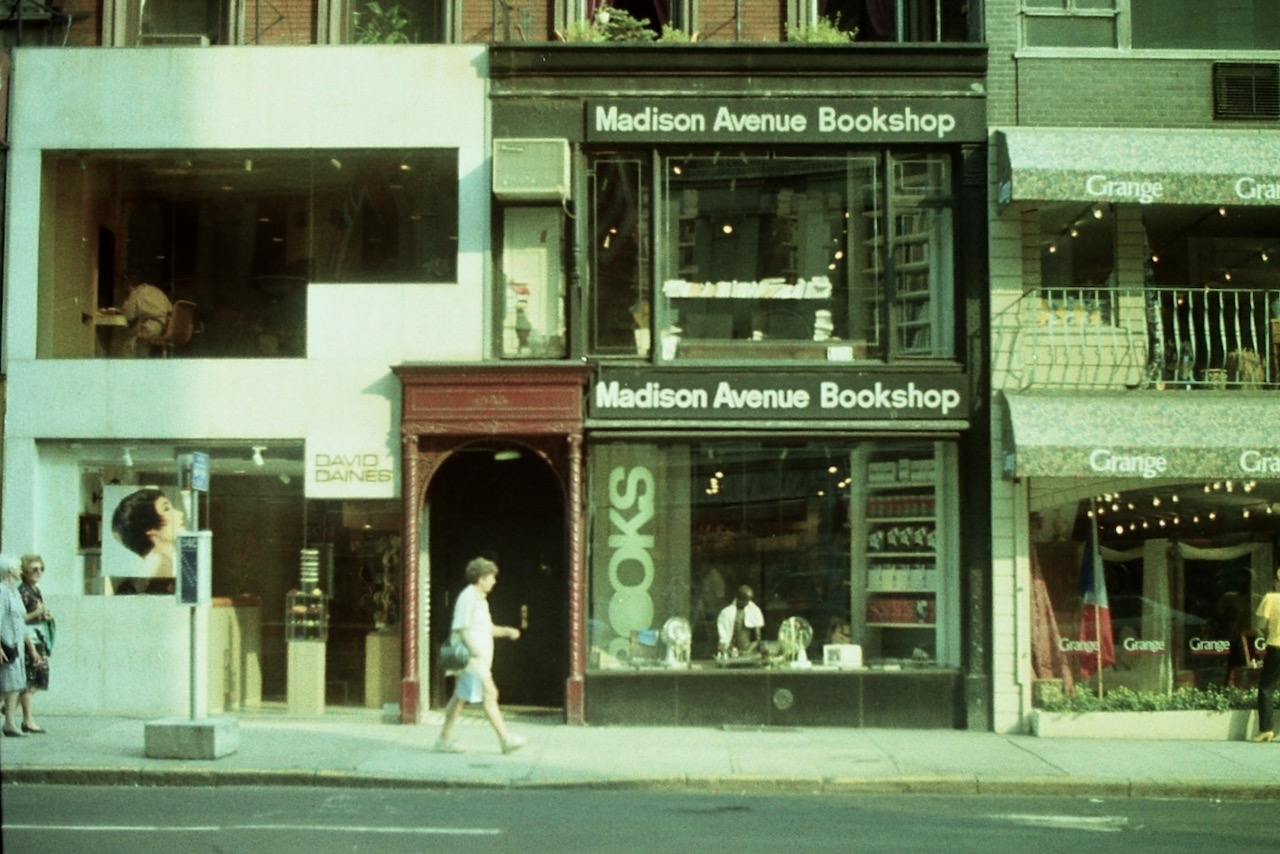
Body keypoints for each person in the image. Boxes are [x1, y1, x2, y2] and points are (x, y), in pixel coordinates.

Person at [433, 557, 526, 755]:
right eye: (491, 577)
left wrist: (507, 631)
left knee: (459, 698)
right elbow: (462, 628)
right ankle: (505, 740)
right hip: (472, 660)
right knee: (490, 694)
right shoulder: (469, 597)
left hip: (476, 659)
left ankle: (443, 740)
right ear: (481, 578)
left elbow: (487, 628)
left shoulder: (480, 599)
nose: (494, 581)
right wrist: (475, 651)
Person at [1, 554, 40, 738]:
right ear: (10, 570)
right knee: (6, 686)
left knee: (14, 685)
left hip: (17, 646)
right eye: (17, 567)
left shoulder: (14, 592)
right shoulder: (2, 592)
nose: (20, 571)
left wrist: (31, 648)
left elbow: (21, 622)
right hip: (6, 645)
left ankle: (10, 723)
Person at [110, 487, 185, 580]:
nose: (180, 513)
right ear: (148, 528)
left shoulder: (172, 561)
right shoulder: (161, 569)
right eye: (166, 509)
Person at [18, 554, 52, 734]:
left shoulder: (35, 590)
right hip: (28, 639)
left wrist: (44, 615)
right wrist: (36, 613)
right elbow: (18, 619)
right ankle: (27, 720)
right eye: (34, 569)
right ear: (25, 572)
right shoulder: (22, 592)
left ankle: (14, 706)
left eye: (41, 569)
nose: (38, 572)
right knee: (30, 679)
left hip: (38, 637)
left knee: (40, 677)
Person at [1252, 567, 1280, 743]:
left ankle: (1266, 729)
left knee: (1266, 688)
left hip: (1276, 646)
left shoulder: (1271, 598)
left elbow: (1261, 624)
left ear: (1277, 582)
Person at [120, 269, 172, 357]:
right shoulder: (156, 290)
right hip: (166, 327)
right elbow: (170, 309)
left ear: (128, 283)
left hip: (150, 327)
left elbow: (129, 315)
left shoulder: (135, 293)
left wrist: (125, 304)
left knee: (128, 345)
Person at [717, 585, 765, 658]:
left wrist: (755, 645)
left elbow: (758, 635)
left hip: (748, 648)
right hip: (732, 649)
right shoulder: (727, 613)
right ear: (739, 599)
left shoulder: (754, 611)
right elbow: (723, 636)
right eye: (745, 600)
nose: (748, 603)